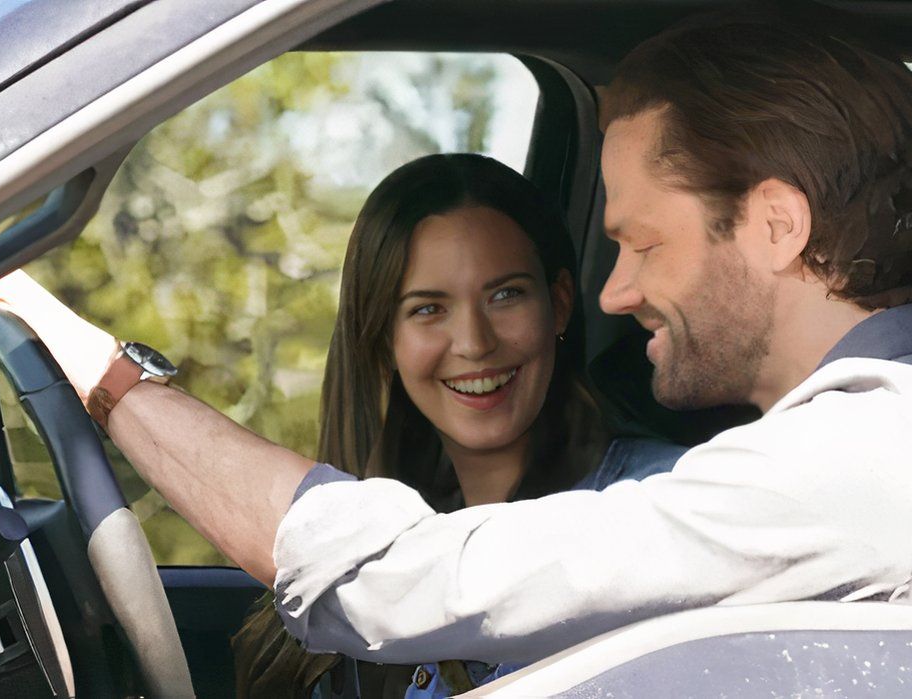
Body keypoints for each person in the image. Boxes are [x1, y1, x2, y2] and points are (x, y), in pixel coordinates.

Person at [0, 12, 912, 676]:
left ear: (774, 226)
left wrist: (98, 370)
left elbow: (388, 582)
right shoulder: (887, 454)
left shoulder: (858, 469)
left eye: (639, 244)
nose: (614, 294)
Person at [226, 153, 685, 698]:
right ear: (383, 339)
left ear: (558, 305)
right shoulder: (372, 540)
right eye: (428, 309)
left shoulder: (661, 500)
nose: (473, 343)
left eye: (505, 294)